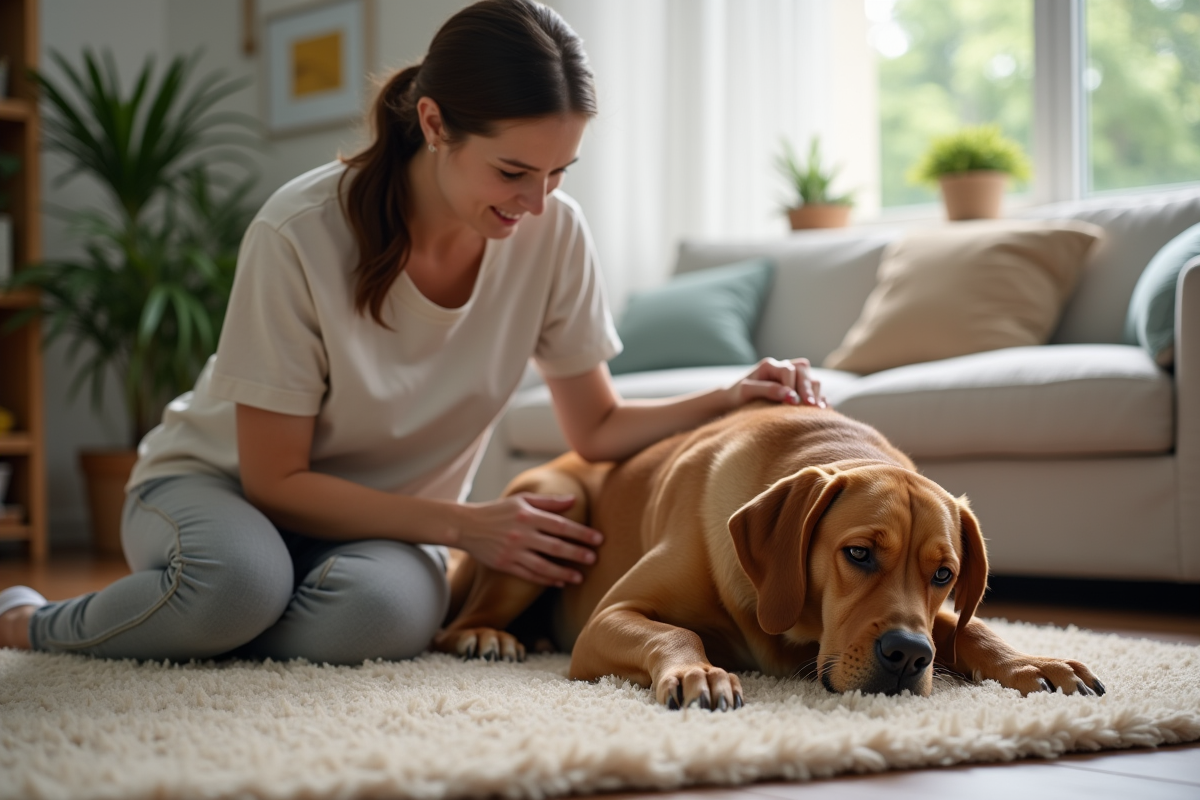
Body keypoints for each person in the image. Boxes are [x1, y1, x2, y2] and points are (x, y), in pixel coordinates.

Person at [0, 0, 824, 663]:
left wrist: (728, 397)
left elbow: (597, 428)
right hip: (217, 486)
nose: (535, 203)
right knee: (236, 589)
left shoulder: (555, 232)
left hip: (382, 524)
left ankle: (201, 632)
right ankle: (32, 623)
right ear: (433, 124)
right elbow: (275, 478)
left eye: (557, 173)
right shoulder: (300, 230)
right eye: (512, 172)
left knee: (374, 627)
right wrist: (469, 526)